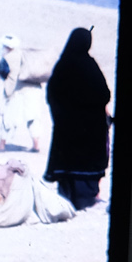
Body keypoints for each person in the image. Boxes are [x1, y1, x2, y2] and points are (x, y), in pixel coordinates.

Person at [44, 27, 112, 210]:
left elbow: (52, 93)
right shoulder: (90, 66)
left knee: (68, 166)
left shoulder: (63, 64)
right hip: (90, 129)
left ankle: (67, 198)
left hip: (66, 128)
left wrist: (60, 115)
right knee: (86, 167)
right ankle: (85, 200)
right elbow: (104, 94)